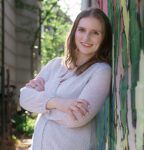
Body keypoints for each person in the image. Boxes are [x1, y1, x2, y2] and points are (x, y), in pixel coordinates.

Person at [20, 7, 112, 150]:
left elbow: (76, 118)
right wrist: (58, 103)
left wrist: (41, 103)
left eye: (95, 33)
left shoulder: (101, 71)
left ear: (104, 38)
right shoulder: (55, 65)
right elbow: (24, 98)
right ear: (74, 31)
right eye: (82, 30)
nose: (86, 38)